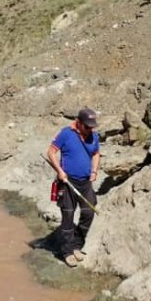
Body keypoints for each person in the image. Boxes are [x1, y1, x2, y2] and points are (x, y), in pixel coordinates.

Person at [48, 107, 101, 267]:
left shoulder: (94, 136)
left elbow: (96, 153)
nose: (90, 129)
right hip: (68, 182)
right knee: (68, 217)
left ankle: (77, 244)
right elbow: (51, 152)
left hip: (85, 183)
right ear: (78, 123)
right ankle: (67, 251)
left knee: (88, 212)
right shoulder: (66, 133)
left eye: (92, 126)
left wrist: (94, 171)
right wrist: (60, 171)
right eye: (87, 126)